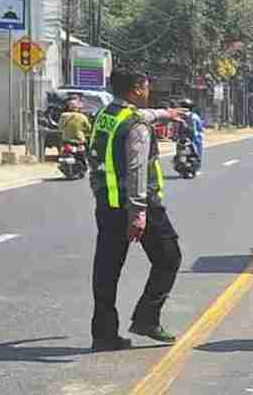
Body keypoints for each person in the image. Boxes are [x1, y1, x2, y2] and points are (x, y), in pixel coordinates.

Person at [88, 70, 184, 352]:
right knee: (169, 257)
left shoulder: (107, 114)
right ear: (136, 90)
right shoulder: (136, 127)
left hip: (107, 203)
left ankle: (104, 334)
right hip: (139, 206)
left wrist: (165, 113)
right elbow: (136, 169)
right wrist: (139, 212)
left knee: (107, 269)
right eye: (146, 86)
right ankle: (146, 317)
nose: (149, 89)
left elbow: (141, 117)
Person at [176, 98, 204, 168]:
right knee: (198, 150)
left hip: (181, 139)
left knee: (179, 150)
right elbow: (200, 127)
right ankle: (197, 161)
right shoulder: (195, 116)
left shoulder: (178, 116)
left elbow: (175, 128)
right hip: (193, 139)